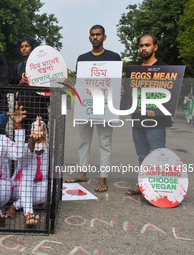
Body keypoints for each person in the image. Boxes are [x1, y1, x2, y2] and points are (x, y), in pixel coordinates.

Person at [66, 25, 121, 193]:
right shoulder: (82, 59)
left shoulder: (114, 57)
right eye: (92, 35)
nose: (95, 37)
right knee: (84, 141)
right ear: (89, 38)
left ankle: (103, 177)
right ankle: (82, 173)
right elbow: (80, 82)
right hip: (86, 106)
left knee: (105, 143)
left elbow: (116, 82)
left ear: (104, 37)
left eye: (98, 34)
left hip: (105, 106)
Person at [126, 34, 172, 195]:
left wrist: (158, 109)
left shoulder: (165, 70)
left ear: (155, 47)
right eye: (141, 45)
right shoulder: (134, 71)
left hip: (156, 122)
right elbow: (129, 96)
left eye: (147, 45)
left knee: (157, 156)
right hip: (138, 120)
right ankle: (143, 185)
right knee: (142, 155)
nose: (143, 48)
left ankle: (159, 189)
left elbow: (170, 96)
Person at [6, 116, 49, 226]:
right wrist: (32, 144)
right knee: (27, 170)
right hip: (19, 189)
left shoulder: (50, 151)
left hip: (39, 191)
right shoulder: (25, 147)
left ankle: (17, 206)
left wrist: (15, 205)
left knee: (51, 187)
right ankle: (28, 212)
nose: (39, 136)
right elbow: (26, 156)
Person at [13, 38, 49, 138]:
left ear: (32, 48)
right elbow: (13, 85)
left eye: (26, 46)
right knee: (22, 137)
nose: (24, 49)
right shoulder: (18, 66)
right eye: (21, 47)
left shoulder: (41, 64)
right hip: (22, 106)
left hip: (38, 106)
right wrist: (21, 82)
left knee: (39, 138)